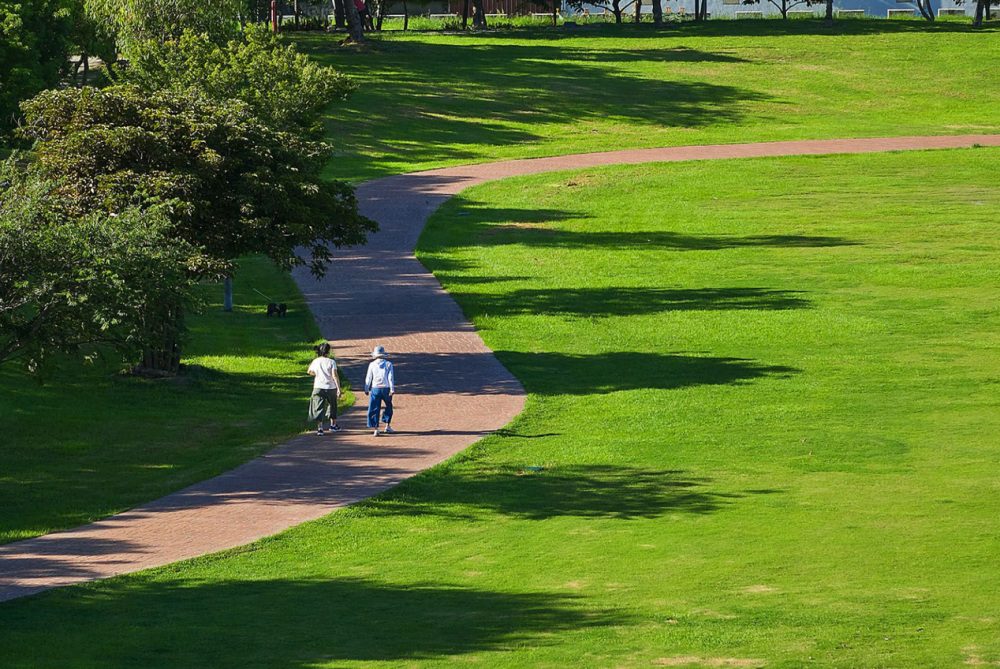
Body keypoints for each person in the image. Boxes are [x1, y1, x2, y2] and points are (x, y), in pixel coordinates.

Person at [307, 342, 342, 436]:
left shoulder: (316, 361)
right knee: (332, 405)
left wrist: (318, 374)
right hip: (330, 387)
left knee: (318, 407)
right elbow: (335, 375)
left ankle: (320, 428)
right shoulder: (331, 362)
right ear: (328, 352)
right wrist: (339, 388)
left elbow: (309, 371)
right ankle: (333, 425)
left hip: (318, 387)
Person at [365, 345, 395, 436]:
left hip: (375, 389)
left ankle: (376, 428)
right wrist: (392, 389)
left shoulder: (372, 364)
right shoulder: (388, 364)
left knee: (374, 408)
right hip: (386, 388)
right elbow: (390, 378)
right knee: (388, 406)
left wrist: (366, 388)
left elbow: (368, 378)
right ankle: (387, 425)